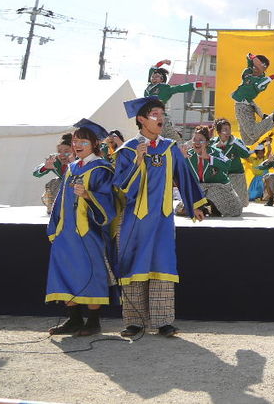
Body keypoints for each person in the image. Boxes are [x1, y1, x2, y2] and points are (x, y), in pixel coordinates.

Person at [112, 97, 207, 338]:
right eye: (155, 114)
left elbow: (184, 174)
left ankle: (163, 322)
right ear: (141, 119)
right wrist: (137, 161)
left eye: (162, 114)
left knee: (162, 267)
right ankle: (134, 322)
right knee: (135, 268)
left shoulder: (169, 147)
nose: (160, 118)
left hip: (162, 219)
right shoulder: (127, 150)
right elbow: (121, 187)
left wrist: (194, 203)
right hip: (135, 221)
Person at [45, 120, 115, 337]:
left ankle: (93, 321)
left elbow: (109, 201)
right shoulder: (72, 168)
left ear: (95, 144)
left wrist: (88, 195)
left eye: (83, 141)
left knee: (91, 273)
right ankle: (74, 319)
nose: (77, 145)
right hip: (66, 230)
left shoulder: (102, 168)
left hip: (88, 231)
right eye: (75, 141)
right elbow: (60, 199)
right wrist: (55, 227)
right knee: (66, 272)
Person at [183, 127, 244, 218]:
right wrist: (182, 160)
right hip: (199, 190)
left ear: (207, 142)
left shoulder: (216, 152)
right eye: (195, 139)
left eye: (201, 140)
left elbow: (227, 164)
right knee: (182, 210)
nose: (197, 142)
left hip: (219, 188)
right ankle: (204, 207)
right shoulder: (188, 155)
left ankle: (212, 206)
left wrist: (209, 158)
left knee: (235, 211)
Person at [231, 52, 274, 143]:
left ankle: (272, 117)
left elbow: (260, 84)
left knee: (253, 134)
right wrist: (255, 59)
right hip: (246, 105)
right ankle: (267, 120)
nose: (255, 70)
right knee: (248, 141)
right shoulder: (248, 71)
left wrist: (273, 77)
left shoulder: (261, 80)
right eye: (255, 67)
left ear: (263, 70)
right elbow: (249, 56)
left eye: (259, 69)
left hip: (243, 107)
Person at [144, 60, 196, 141]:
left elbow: (179, 88)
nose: (153, 78)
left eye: (156, 76)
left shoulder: (164, 88)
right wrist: (163, 62)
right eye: (152, 77)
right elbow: (152, 69)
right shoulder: (149, 87)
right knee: (149, 140)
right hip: (148, 119)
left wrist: (195, 85)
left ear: (162, 79)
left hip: (160, 119)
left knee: (176, 142)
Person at [210, 119, 252, 208]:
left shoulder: (236, 141)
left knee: (242, 202)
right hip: (220, 174)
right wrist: (216, 146)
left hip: (236, 174)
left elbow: (246, 154)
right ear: (219, 132)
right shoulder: (213, 142)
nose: (228, 132)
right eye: (225, 129)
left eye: (229, 129)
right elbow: (207, 153)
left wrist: (235, 143)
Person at [32, 134, 74, 213]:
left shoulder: (80, 159)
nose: (62, 155)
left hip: (77, 189)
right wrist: (45, 167)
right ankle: (54, 207)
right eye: (59, 151)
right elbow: (35, 173)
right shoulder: (54, 160)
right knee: (54, 182)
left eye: (66, 151)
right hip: (63, 189)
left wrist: (74, 165)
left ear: (74, 151)